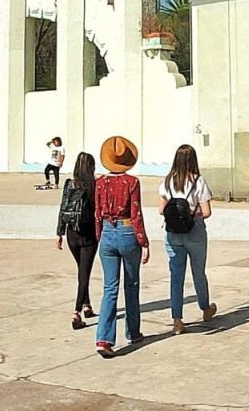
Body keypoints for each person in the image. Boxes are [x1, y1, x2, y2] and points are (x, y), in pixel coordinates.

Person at [93, 136, 149, 358]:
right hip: (127, 231)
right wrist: (143, 241)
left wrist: (100, 237)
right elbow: (136, 213)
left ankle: (104, 338)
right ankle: (133, 331)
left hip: (107, 231)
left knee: (110, 287)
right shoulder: (132, 183)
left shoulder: (99, 183)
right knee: (132, 284)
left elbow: (97, 213)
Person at [158, 144, 216, 335]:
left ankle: (177, 321)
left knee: (176, 277)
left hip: (173, 233)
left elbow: (161, 210)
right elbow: (207, 212)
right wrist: (193, 213)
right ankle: (205, 308)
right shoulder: (199, 181)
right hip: (195, 232)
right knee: (198, 272)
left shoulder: (167, 182)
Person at [55, 152, 98, 330]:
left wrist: (59, 233)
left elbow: (63, 206)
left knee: (82, 269)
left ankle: (87, 305)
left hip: (72, 234)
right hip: (88, 234)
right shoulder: (94, 185)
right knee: (84, 273)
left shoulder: (69, 184)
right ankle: (77, 311)